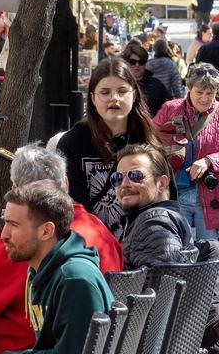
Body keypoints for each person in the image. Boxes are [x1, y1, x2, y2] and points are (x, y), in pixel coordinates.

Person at [0, 145, 122, 354]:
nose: (6, 234)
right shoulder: (99, 230)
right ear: (65, 183)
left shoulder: (31, 244)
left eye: (13, 223)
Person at [115, 143, 219, 354]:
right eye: (118, 177)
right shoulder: (153, 217)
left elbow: (164, 296)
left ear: (161, 183)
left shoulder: (154, 222)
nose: (124, 184)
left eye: (136, 175)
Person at [0, 181, 115, 354]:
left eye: (13, 225)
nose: (4, 234)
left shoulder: (75, 279)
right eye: (5, 223)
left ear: (46, 231)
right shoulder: (41, 270)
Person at [56, 57, 157, 230]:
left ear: (134, 94)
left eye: (122, 91)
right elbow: (71, 206)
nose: (114, 98)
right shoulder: (72, 143)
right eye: (105, 92)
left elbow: (164, 196)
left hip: (143, 244)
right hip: (91, 247)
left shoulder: (148, 139)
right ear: (93, 98)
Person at [153, 63, 219, 241]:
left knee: (209, 254)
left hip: (212, 195)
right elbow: (149, 142)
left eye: (210, 93)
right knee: (176, 251)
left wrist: (209, 161)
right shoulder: (170, 109)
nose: (204, 98)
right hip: (175, 194)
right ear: (189, 88)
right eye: (199, 92)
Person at [121, 43, 170, 117]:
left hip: (151, 125)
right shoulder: (118, 83)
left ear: (145, 63)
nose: (137, 65)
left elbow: (168, 107)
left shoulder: (156, 85)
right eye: (132, 62)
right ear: (126, 63)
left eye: (141, 62)